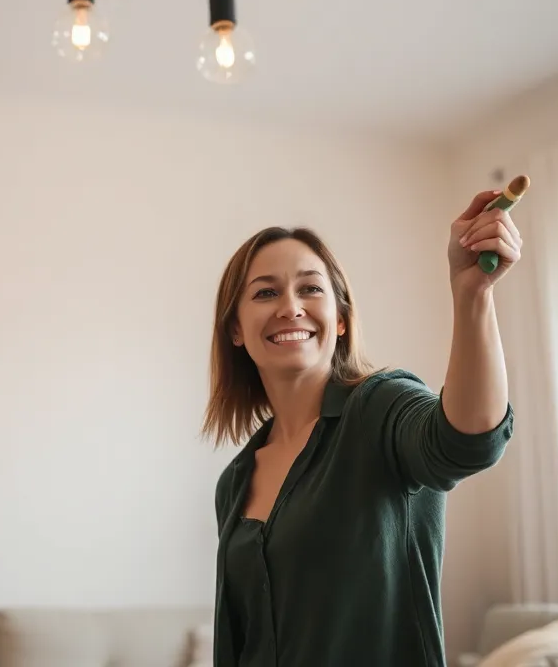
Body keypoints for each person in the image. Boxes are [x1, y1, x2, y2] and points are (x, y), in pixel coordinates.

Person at [203, 189, 522, 667]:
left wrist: (472, 292)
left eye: (311, 289)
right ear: (235, 328)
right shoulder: (233, 482)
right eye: (266, 292)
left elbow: (467, 443)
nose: (290, 307)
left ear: (341, 319)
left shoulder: (380, 407)